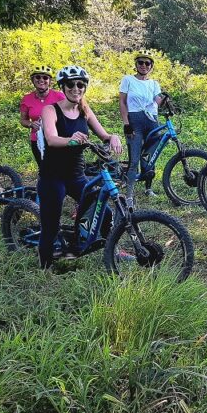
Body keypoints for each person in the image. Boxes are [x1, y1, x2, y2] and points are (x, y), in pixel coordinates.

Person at [37, 66, 122, 269]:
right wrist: (71, 140)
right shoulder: (51, 110)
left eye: (81, 84)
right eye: (71, 84)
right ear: (63, 87)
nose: (76, 88)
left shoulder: (84, 109)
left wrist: (113, 137)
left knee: (104, 212)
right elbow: (51, 138)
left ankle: (88, 246)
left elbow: (104, 135)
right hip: (52, 176)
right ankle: (44, 266)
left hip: (76, 175)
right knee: (51, 224)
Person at [119, 50, 163, 203]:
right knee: (134, 158)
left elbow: (158, 100)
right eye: (140, 62)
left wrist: (164, 98)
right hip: (134, 120)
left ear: (151, 66)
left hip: (152, 121)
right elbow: (122, 102)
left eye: (147, 63)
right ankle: (130, 194)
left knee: (150, 157)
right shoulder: (128, 80)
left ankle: (148, 188)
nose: (144, 65)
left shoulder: (154, 83)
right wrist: (126, 124)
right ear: (136, 64)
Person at [19, 66, 64, 166]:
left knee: (62, 168)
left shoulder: (60, 96)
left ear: (50, 81)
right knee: (44, 168)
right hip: (38, 140)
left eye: (45, 78)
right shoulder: (26, 99)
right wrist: (31, 124)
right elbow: (23, 120)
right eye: (38, 77)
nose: (41, 80)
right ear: (33, 80)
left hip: (58, 137)